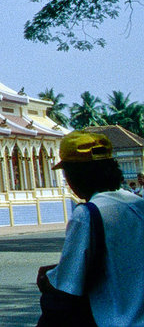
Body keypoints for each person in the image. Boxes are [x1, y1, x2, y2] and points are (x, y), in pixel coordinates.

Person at [40, 130, 144, 326]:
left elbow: (68, 286)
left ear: (75, 175)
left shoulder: (87, 214)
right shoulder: (138, 204)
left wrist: (48, 279)